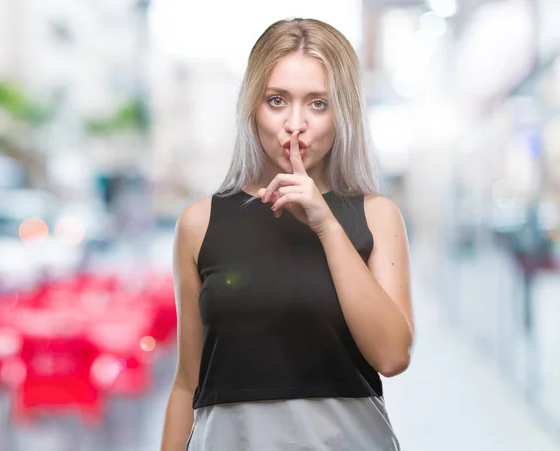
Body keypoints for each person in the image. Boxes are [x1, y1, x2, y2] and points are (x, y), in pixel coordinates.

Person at [160, 17, 414, 451]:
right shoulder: (200, 223)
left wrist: (326, 224)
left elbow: (392, 356)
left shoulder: (377, 216)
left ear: (343, 114)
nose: (295, 124)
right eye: (277, 100)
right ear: (252, 108)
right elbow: (187, 383)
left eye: (318, 103)